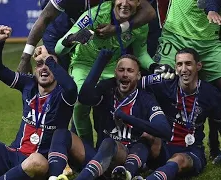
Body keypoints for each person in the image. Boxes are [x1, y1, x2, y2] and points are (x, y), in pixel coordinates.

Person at [0, 25, 77, 180]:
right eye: (39, 64)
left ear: (57, 69)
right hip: (14, 154)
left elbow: (71, 87)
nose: (43, 68)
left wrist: (47, 58)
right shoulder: (29, 83)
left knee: (36, 161)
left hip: (41, 165)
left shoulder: (64, 94)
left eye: (49, 64)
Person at [54, 0, 166, 144]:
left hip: (111, 67)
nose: (125, 3)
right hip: (84, 65)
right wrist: (72, 39)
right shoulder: (94, 16)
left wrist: (153, 67)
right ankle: (85, 149)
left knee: (116, 105)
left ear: (138, 3)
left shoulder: (139, 25)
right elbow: (58, 49)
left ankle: (118, 146)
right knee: (81, 104)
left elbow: (141, 53)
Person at [47, 50, 171, 180]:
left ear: (138, 75)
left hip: (127, 157)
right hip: (100, 158)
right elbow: (84, 97)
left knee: (110, 142)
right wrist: (101, 60)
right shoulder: (106, 92)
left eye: (130, 71)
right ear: (115, 73)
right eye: (121, 70)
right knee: (62, 134)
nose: (125, 74)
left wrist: (127, 118)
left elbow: (165, 130)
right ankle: (54, 177)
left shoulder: (146, 99)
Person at [136, 48, 221, 179]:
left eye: (188, 64)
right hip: (163, 147)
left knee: (179, 160)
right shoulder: (164, 83)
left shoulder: (210, 94)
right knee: (147, 134)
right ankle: (127, 170)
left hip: (191, 150)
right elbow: (132, 84)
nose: (183, 69)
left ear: (198, 66)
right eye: (179, 64)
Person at [17, 0, 156, 74]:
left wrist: (117, 29)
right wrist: (25, 58)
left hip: (92, 34)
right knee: (59, 80)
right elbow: (44, 18)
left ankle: (75, 127)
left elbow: (149, 12)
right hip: (60, 31)